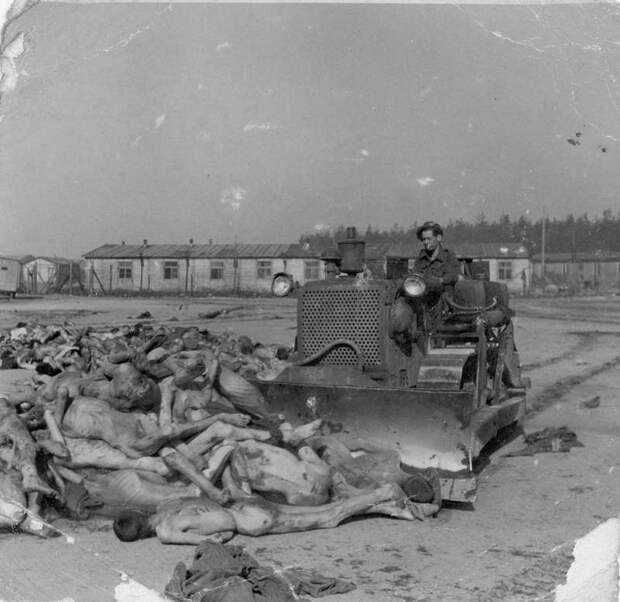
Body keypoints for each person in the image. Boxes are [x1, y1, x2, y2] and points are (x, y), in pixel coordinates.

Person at [412, 221, 461, 300]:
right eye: (423, 239)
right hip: (423, 298)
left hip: (444, 298)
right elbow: (415, 275)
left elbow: (454, 275)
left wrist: (440, 280)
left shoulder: (448, 256)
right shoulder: (421, 258)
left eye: (429, 239)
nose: (425, 242)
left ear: (439, 238)